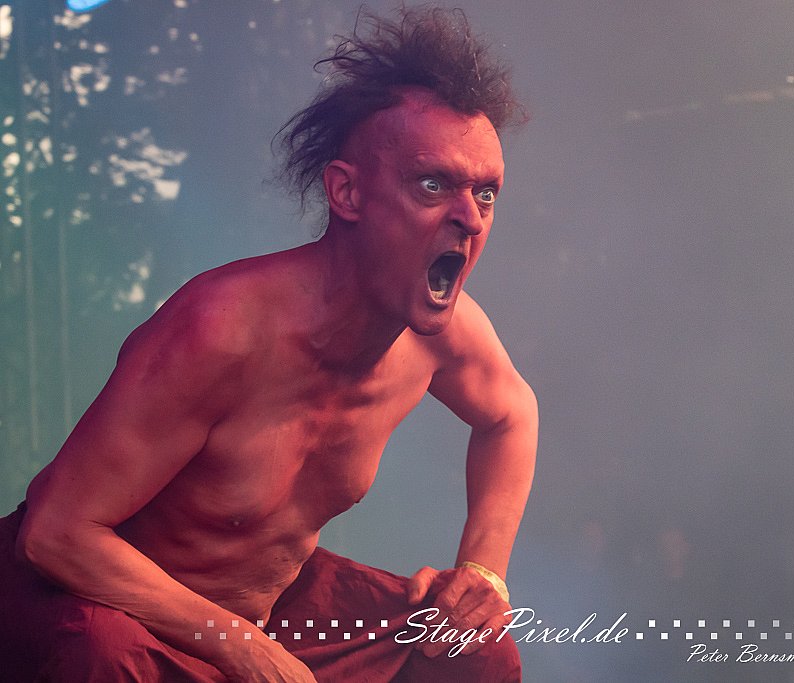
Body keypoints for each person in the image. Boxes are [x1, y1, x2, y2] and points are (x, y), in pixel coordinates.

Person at [0, 6, 536, 682]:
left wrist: (483, 571)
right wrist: (238, 646)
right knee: (104, 655)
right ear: (347, 192)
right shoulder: (221, 330)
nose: (469, 219)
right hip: (91, 605)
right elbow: (55, 534)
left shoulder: (447, 336)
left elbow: (511, 415)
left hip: (259, 617)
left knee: (475, 648)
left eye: (485, 193)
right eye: (433, 185)